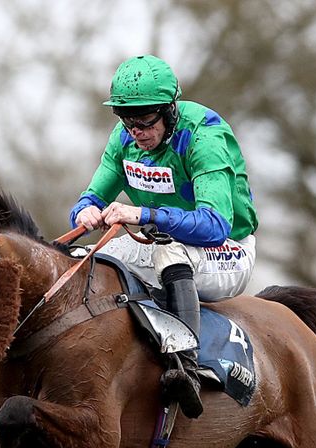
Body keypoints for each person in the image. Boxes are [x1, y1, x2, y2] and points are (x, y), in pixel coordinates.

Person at [69, 55, 259, 419]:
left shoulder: (204, 136)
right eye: (127, 121)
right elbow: (89, 198)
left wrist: (141, 214)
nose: (136, 132)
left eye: (145, 122)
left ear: (170, 112)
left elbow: (215, 225)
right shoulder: (124, 138)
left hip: (226, 249)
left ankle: (186, 367)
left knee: (170, 254)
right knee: (86, 256)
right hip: (160, 242)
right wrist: (85, 211)